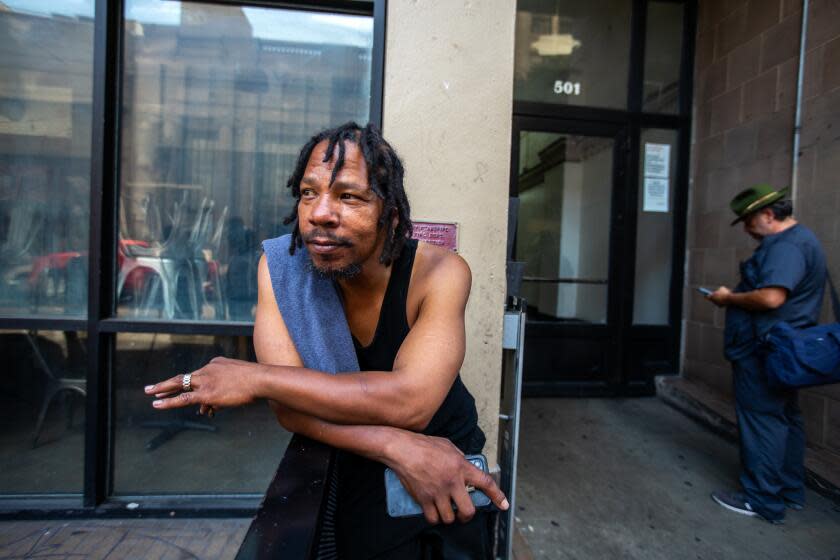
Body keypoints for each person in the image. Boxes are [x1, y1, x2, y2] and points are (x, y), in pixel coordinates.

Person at [144, 122, 508, 558]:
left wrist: (257, 378)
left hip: (448, 464)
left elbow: (412, 402)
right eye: (308, 193)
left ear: (390, 215)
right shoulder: (280, 270)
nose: (319, 213)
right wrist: (396, 446)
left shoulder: (440, 273)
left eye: (348, 196)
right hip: (358, 469)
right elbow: (291, 409)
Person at [705, 184, 826, 524]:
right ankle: (788, 491)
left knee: (762, 421)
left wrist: (728, 298)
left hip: (764, 349)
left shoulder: (786, 247)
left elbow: (772, 298)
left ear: (769, 215)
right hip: (781, 348)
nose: (746, 229)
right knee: (785, 418)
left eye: (748, 221)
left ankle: (761, 500)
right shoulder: (802, 241)